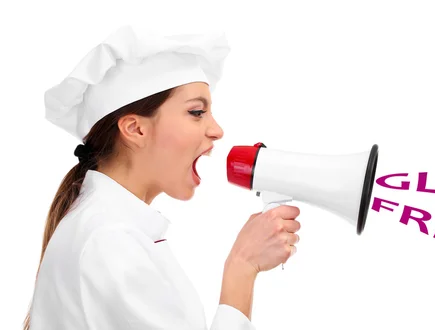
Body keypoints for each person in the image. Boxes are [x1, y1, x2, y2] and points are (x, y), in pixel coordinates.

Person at [23, 25, 301, 330]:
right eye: (196, 112)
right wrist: (243, 265)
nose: (217, 130)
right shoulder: (111, 240)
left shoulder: (106, 226)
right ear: (135, 129)